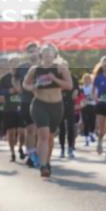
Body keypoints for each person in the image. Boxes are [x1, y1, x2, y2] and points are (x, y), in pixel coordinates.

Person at [23, 44, 73, 178]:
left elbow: (69, 86)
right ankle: (43, 166)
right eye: (45, 54)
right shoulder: (35, 69)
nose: (48, 57)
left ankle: (47, 161)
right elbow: (25, 84)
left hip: (56, 106)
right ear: (41, 56)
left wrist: (54, 78)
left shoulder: (61, 68)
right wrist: (33, 87)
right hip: (40, 105)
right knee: (43, 135)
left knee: (50, 138)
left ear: (54, 55)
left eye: (50, 54)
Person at [13, 43, 40, 164]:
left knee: (39, 130)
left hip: (42, 101)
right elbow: (15, 78)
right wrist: (19, 89)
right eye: (30, 51)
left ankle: (37, 152)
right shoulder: (22, 67)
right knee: (30, 129)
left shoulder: (44, 66)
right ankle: (31, 155)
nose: (33, 53)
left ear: (38, 51)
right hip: (26, 101)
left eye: (35, 51)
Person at [0, 68, 24, 162]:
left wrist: (21, 90)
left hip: (22, 108)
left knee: (22, 132)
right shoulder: (5, 78)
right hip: (8, 109)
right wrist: (8, 91)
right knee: (11, 133)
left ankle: (20, 148)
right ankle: (12, 153)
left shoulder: (23, 75)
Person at [58, 71, 81, 159]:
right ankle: (62, 149)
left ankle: (70, 148)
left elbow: (77, 89)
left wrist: (76, 91)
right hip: (59, 105)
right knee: (62, 129)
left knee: (71, 127)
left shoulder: (72, 77)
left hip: (70, 105)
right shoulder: (57, 77)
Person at [80, 72, 97, 145]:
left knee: (92, 121)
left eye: (88, 79)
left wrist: (89, 98)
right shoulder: (81, 88)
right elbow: (80, 98)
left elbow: (94, 96)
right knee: (85, 122)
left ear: (90, 80)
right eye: (85, 79)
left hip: (92, 105)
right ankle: (86, 139)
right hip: (84, 106)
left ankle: (91, 134)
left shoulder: (92, 87)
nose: (86, 80)